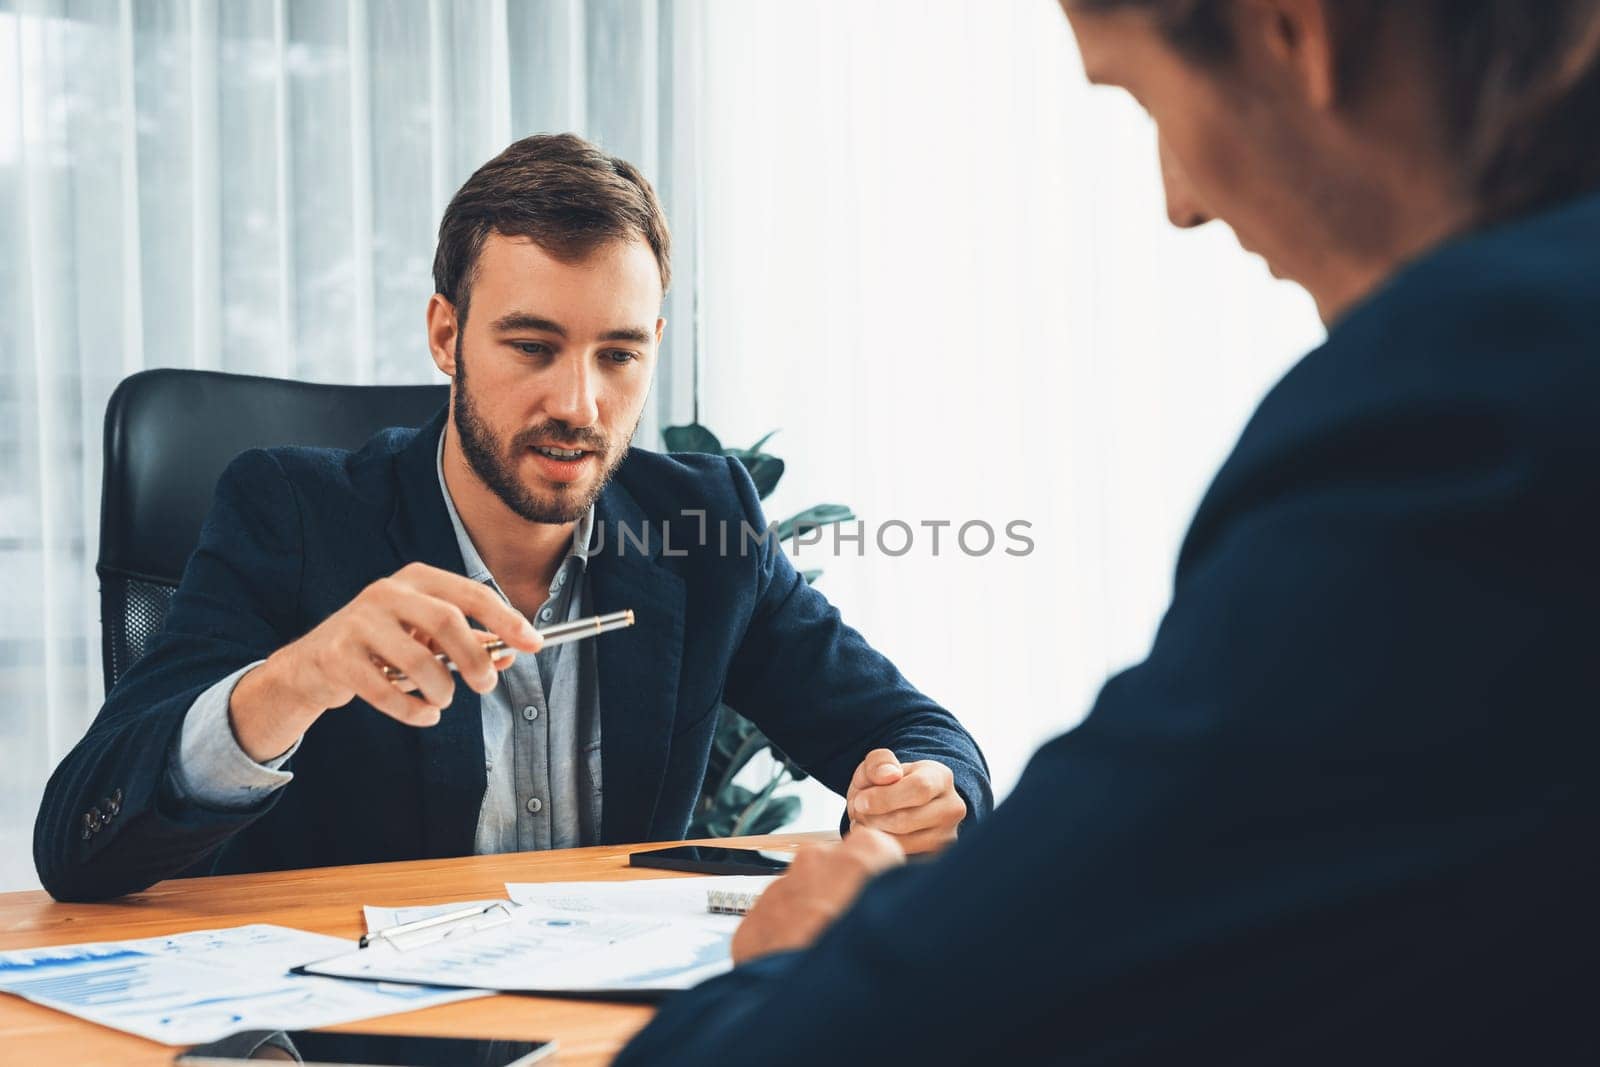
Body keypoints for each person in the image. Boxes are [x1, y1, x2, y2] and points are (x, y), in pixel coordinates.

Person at [615, 1, 1600, 1062]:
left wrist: (789, 965)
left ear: (1294, 30)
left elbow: (1022, 933)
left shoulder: (1465, 410)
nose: (1178, 202)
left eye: (1140, 98)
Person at [34, 134, 991, 904]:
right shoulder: (287, 512)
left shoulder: (702, 522)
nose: (579, 402)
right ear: (446, 334)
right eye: (533, 346)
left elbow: (915, 732)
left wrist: (924, 794)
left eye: (618, 355)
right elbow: (79, 842)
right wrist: (296, 677)